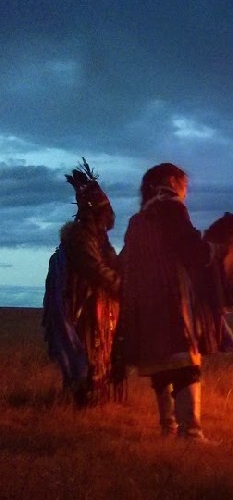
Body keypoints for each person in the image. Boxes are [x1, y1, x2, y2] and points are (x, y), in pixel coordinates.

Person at [117, 163, 227, 441]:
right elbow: (191, 250)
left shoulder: (137, 220)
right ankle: (191, 433)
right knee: (184, 364)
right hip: (170, 300)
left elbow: (126, 262)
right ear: (171, 180)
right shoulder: (171, 208)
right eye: (184, 183)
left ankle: (168, 428)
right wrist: (214, 250)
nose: (186, 190)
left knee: (160, 365)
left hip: (144, 303)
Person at [56, 159, 122, 405]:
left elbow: (110, 263)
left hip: (102, 305)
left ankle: (96, 397)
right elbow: (93, 269)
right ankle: (84, 398)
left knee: (101, 349)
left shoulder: (98, 237)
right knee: (88, 349)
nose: (110, 217)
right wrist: (119, 285)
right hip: (86, 307)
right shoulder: (81, 236)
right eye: (106, 212)